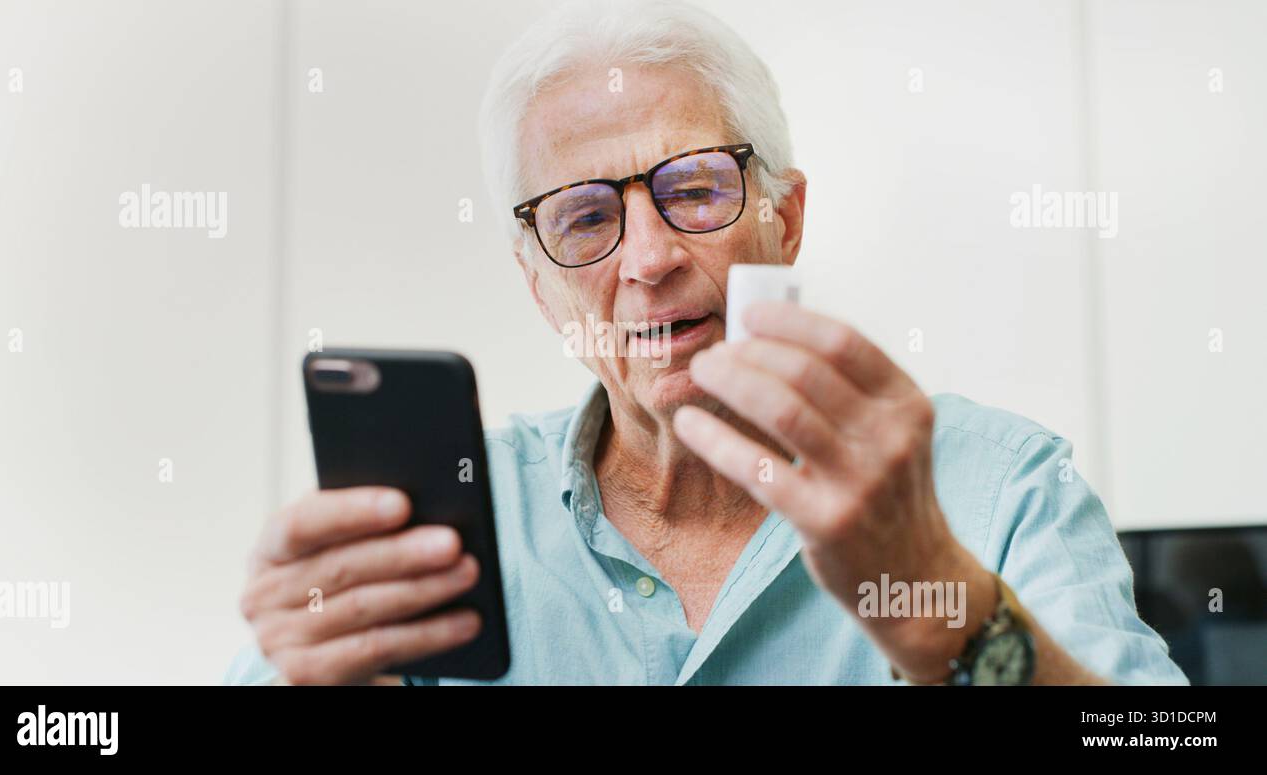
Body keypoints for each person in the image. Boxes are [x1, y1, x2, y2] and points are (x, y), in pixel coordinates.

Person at [225, 0, 1186, 686]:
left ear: (786, 217)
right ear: (540, 287)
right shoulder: (439, 531)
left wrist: (941, 603)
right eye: (583, 215)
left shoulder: (1001, 488)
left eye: (692, 190)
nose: (647, 257)